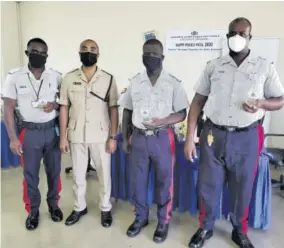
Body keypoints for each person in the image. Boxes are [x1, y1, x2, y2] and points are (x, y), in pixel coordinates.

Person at [184, 17, 284, 248]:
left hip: (246, 137)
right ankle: (206, 227)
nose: (237, 38)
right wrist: (190, 137)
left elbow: (279, 100)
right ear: (227, 36)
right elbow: (197, 102)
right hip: (213, 136)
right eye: (233, 34)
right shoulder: (214, 66)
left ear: (250, 37)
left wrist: (261, 104)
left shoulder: (263, 66)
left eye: (242, 34)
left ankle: (239, 230)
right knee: (208, 186)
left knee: (242, 186)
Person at [120, 39, 189, 243]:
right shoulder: (135, 82)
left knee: (163, 182)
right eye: (146, 54)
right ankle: (140, 218)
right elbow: (127, 111)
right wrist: (125, 138)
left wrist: (164, 121)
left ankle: (163, 221)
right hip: (139, 138)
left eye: (154, 54)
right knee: (138, 182)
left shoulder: (173, 82)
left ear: (162, 57)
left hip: (162, 138)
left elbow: (181, 113)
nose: (150, 57)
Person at [2, 38, 63, 230]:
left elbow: (64, 103)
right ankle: (33, 210)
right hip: (28, 133)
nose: (39, 54)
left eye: (43, 52)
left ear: (47, 55)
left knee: (54, 173)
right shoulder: (14, 76)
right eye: (34, 51)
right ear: (27, 53)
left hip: (52, 131)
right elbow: (8, 108)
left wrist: (54, 105)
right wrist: (12, 138)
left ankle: (53, 205)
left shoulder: (55, 76)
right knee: (30, 175)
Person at [59, 39, 119, 228]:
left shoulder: (108, 78)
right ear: (79, 52)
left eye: (92, 49)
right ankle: (79, 207)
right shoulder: (68, 78)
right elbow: (63, 108)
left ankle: (105, 207)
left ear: (98, 53)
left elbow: (114, 109)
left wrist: (113, 137)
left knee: (104, 175)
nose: (88, 52)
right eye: (84, 49)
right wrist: (62, 136)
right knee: (77, 175)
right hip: (76, 134)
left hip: (101, 135)